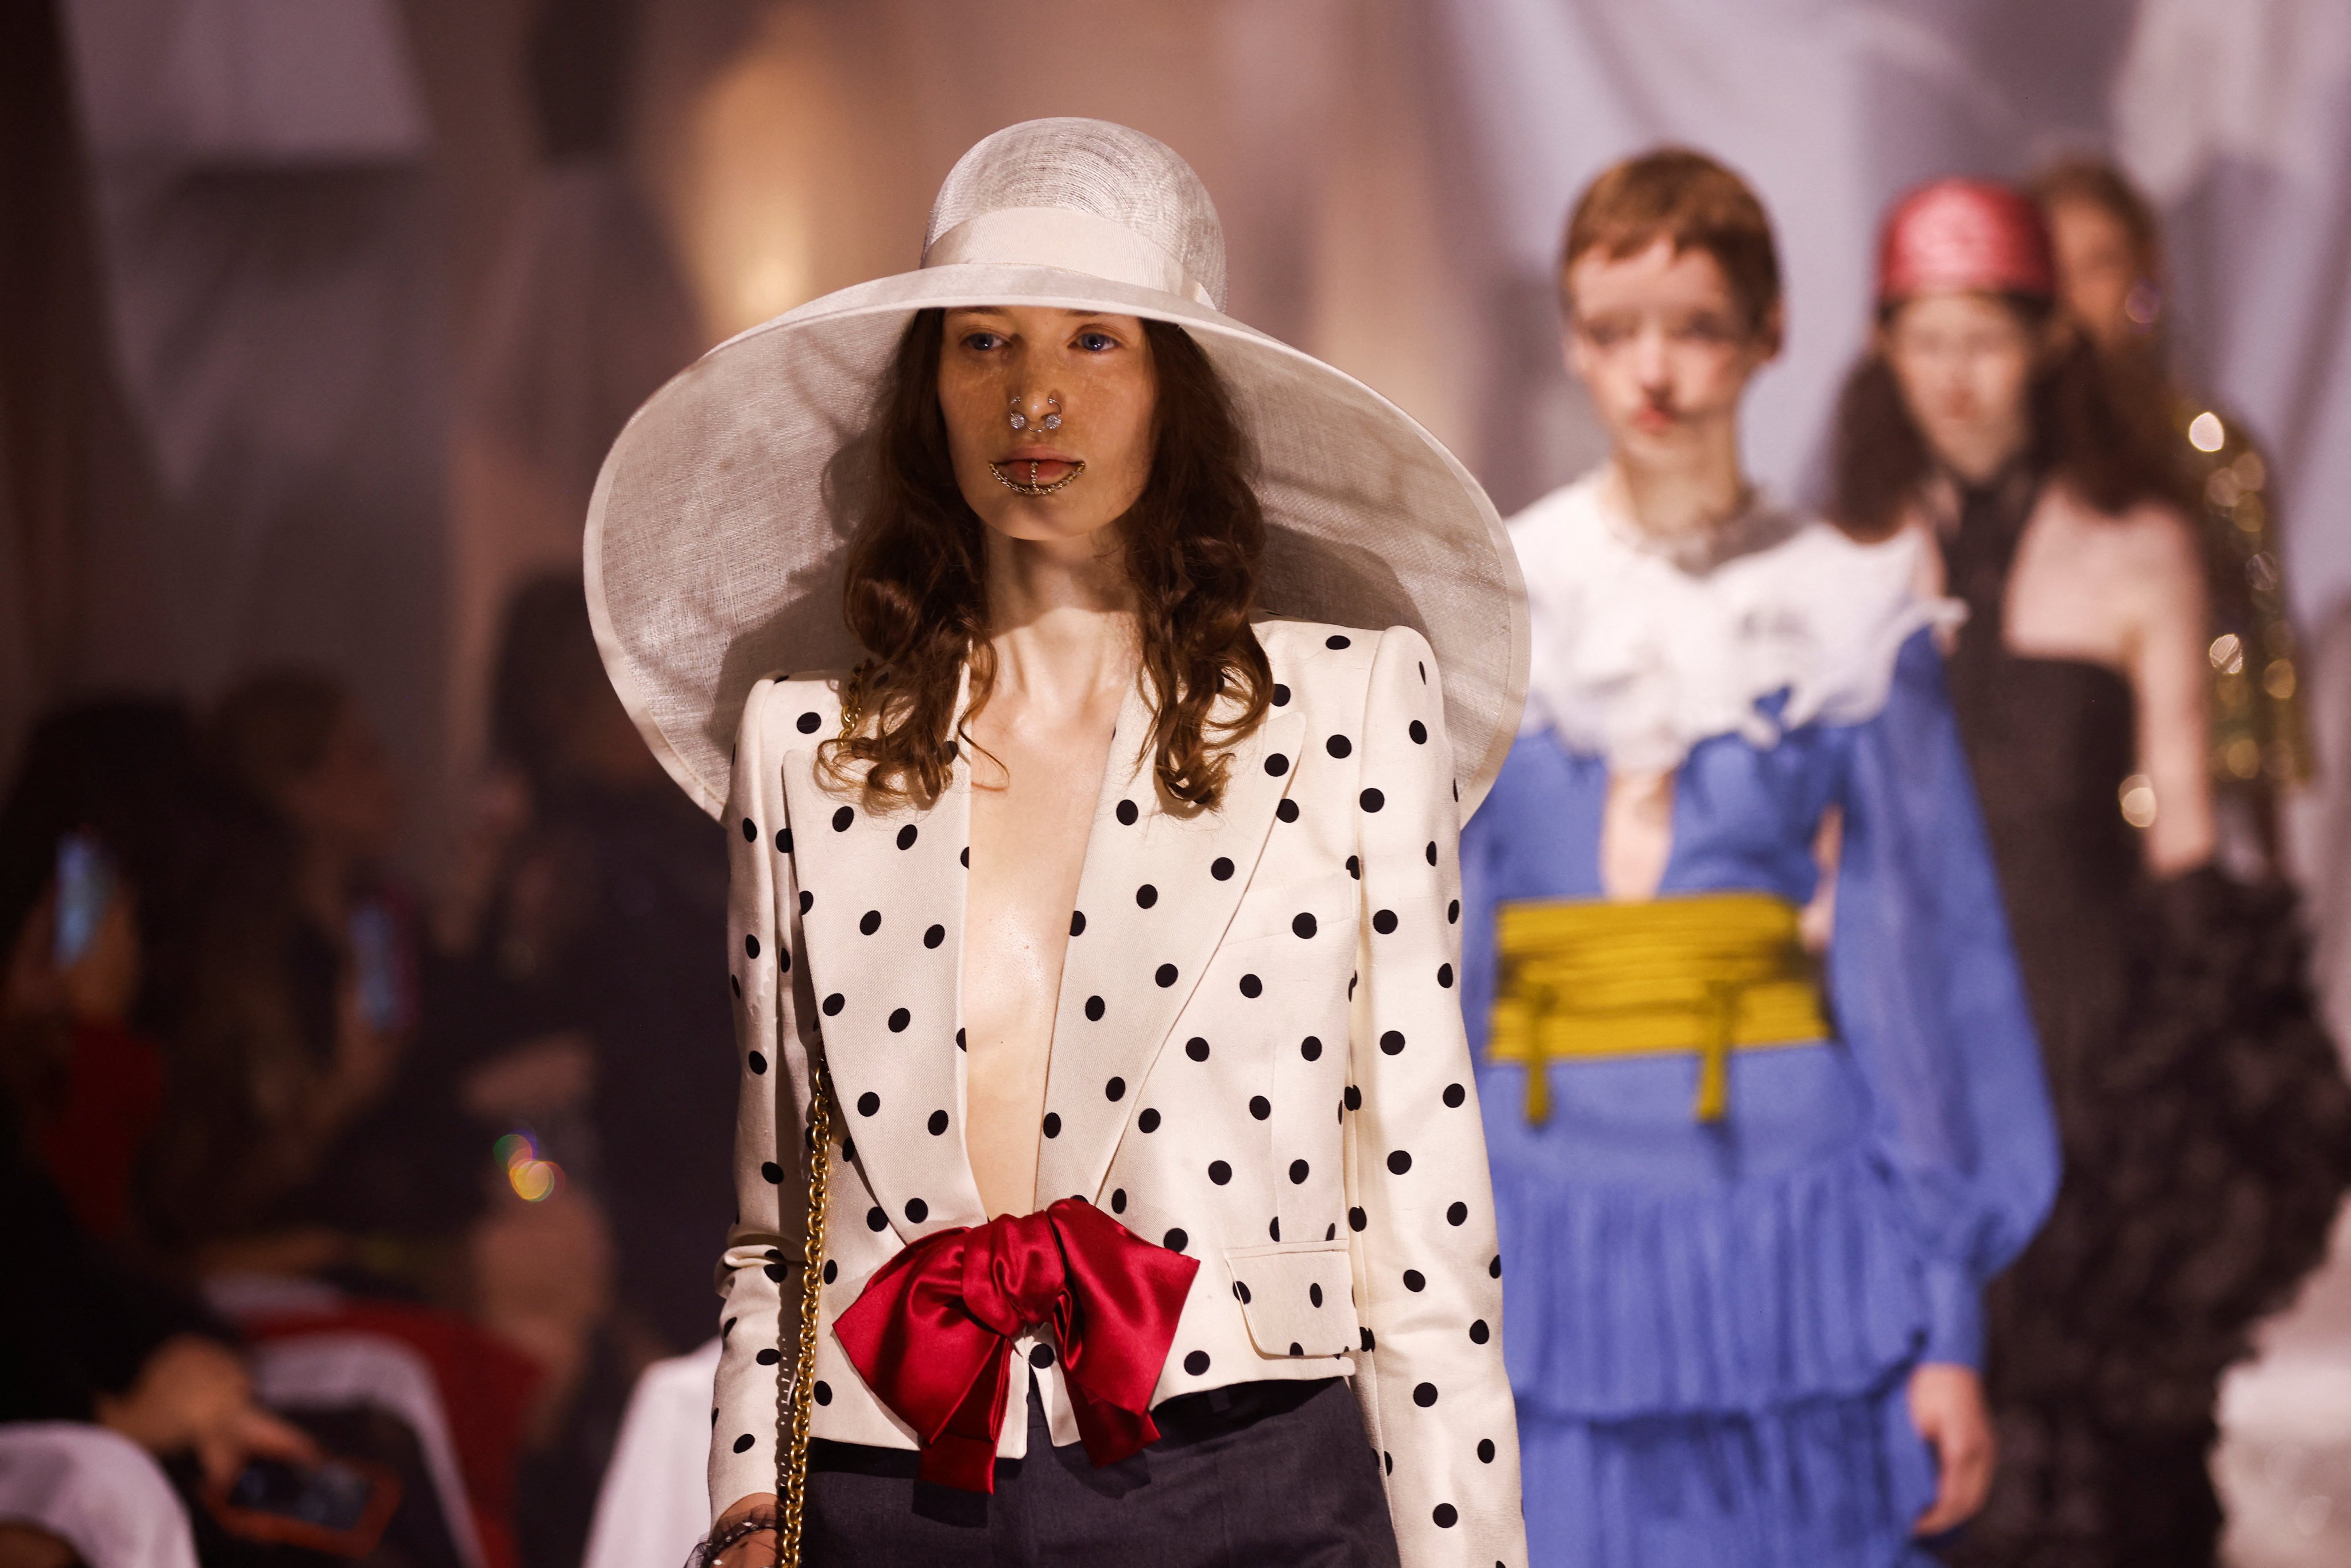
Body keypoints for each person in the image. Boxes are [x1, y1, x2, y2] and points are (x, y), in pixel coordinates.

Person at [586, 119, 1528, 1567]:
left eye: (1096, 341)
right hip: (891, 1490)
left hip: (1243, 1479)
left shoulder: (1341, 710)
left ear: (1175, 391)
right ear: (931, 389)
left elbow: (1424, 1222)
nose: (1034, 396)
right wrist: (747, 1501)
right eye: (983, 344)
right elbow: (779, 1231)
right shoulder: (807, 748)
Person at [1459, 150, 2059, 1568]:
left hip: (1786, 1214)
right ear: (1570, 338)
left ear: (1772, 334)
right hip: (1543, 1210)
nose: (1652, 371)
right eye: (1614, 332)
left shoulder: (1848, 607)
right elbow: (1441, 946)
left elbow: (1921, 966)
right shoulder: (1499, 591)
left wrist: (1947, 1319)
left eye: (1698, 328)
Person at [1829, 177, 2351, 1568]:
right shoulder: (1851, 562)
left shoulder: (2142, 551)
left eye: (1986, 336)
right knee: (1907, 1460)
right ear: (1882, 346)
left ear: (2050, 339)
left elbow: (2182, 835)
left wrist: (2223, 1086)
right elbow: (1829, 843)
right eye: (1924, 338)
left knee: (2094, 1473)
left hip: (2086, 1048)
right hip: (1906, 1054)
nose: (1955, 375)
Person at [2029, 158, 2312, 866]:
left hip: (2190, 806)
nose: (2076, 295)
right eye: (2054, 267)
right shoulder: (2005, 463)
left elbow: (2259, 643)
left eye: (2098, 264)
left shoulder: (2211, 449)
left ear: (2144, 274)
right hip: (2040, 811)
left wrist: (2264, 856)